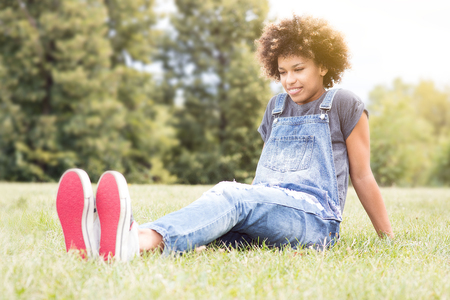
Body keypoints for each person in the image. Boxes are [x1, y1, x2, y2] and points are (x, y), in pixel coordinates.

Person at [56, 15, 393, 261]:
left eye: (299, 69)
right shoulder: (276, 107)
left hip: (316, 221)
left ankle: (134, 238)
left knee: (231, 194)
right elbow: (270, 177)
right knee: (212, 231)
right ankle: (107, 242)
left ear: (323, 64)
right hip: (272, 210)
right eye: (282, 72)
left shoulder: (344, 104)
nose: (289, 80)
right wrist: (249, 205)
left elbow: (362, 175)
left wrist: (386, 238)